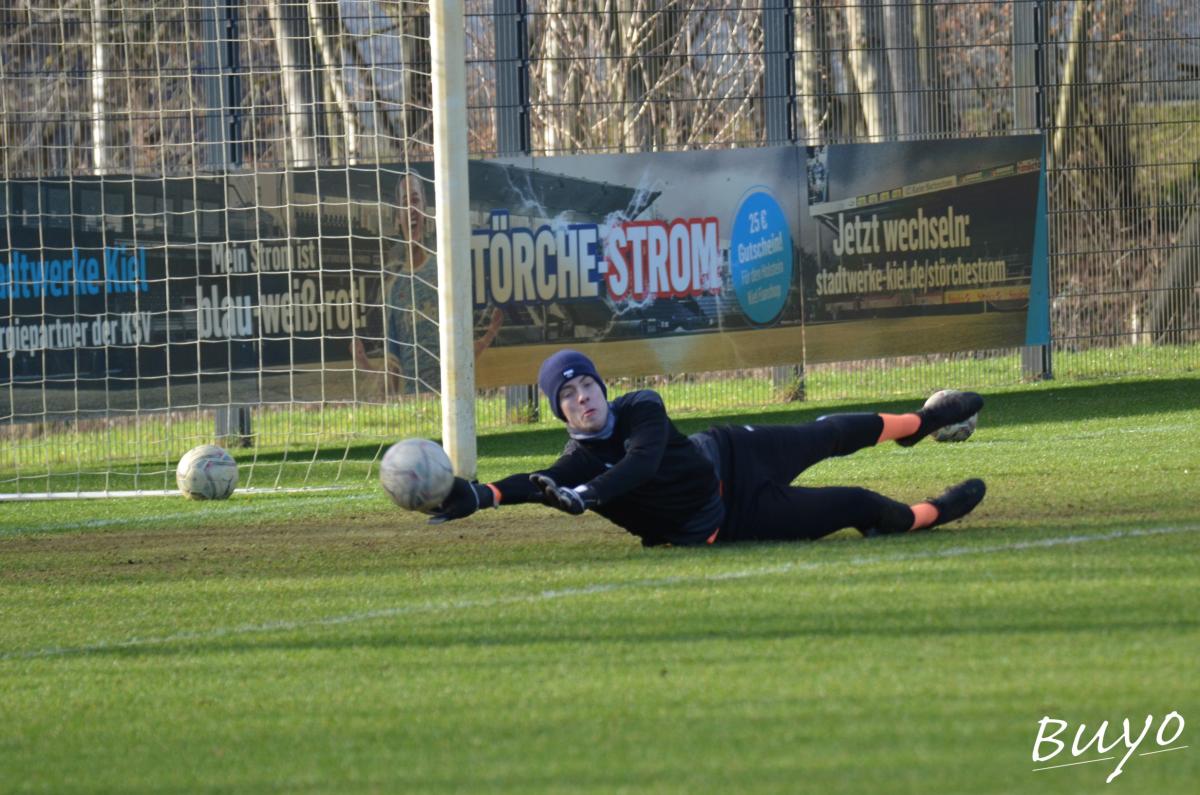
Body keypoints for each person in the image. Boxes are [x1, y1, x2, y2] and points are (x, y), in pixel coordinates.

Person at [429, 349, 987, 546]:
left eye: (587, 386)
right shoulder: (575, 466)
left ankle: (920, 421)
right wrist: (478, 496)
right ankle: (930, 515)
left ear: (603, 388)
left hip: (733, 454)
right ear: (560, 411)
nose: (582, 398)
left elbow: (641, 462)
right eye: (567, 395)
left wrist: (587, 496)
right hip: (735, 518)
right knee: (860, 505)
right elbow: (536, 482)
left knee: (830, 433)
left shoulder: (641, 406)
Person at [353, 172, 503, 395]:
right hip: (417, 408)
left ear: (425, 209)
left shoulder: (445, 270)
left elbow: (464, 352)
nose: (411, 208)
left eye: (415, 200)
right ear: (397, 217)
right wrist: (363, 363)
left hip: (454, 399)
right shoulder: (395, 290)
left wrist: (490, 334)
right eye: (405, 203)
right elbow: (392, 374)